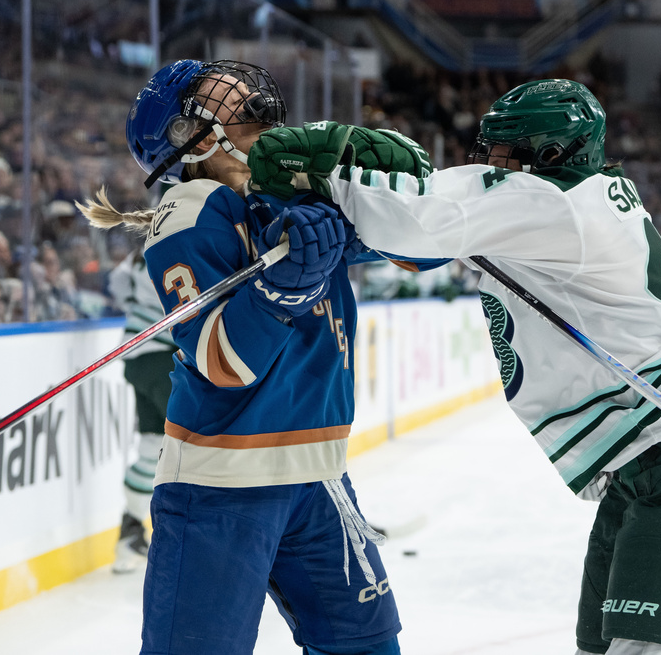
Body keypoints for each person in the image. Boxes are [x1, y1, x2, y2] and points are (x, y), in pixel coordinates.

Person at [248, 79, 661, 655]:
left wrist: (325, 168)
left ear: (552, 153)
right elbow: (426, 243)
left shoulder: (553, 203)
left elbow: (414, 218)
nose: (491, 161)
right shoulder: (570, 198)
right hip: (650, 467)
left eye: (507, 150)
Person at [76, 59, 415, 655]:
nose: (253, 101)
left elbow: (422, 253)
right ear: (190, 138)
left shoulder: (298, 186)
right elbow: (224, 361)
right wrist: (286, 287)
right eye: (226, 102)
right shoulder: (189, 209)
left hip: (320, 478)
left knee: (368, 647)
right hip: (220, 488)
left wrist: (401, 181)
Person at [106, 245, 176, 574]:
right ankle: (188, 538)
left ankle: (130, 532)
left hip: (136, 356)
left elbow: (117, 285)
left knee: (152, 444)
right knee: (197, 441)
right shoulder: (178, 236)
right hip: (163, 355)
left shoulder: (134, 254)